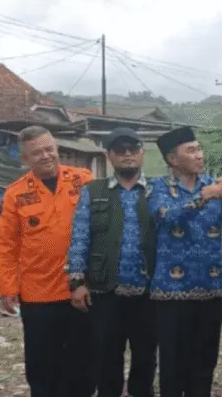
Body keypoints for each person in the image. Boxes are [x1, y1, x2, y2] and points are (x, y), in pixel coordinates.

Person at [147, 126, 222, 397]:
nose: (199, 155)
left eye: (200, 149)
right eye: (191, 150)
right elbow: (168, 217)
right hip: (172, 291)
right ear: (173, 159)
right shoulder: (157, 187)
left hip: (211, 285)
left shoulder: (214, 187)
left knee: (205, 361)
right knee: (173, 363)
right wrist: (205, 197)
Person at [0, 126, 95, 397]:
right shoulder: (16, 194)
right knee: (42, 364)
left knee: (83, 360)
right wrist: (7, 287)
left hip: (81, 287)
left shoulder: (83, 180)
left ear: (57, 148)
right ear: (24, 158)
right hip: (38, 292)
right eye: (37, 152)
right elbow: (6, 245)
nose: (46, 155)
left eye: (49, 148)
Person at [67, 127, 158, 397]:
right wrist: (77, 282)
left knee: (146, 355)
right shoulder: (92, 191)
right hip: (105, 290)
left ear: (142, 153)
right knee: (107, 357)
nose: (127, 155)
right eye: (120, 150)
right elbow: (80, 237)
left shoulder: (158, 190)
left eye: (133, 149)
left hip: (149, 291)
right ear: (109, 156)